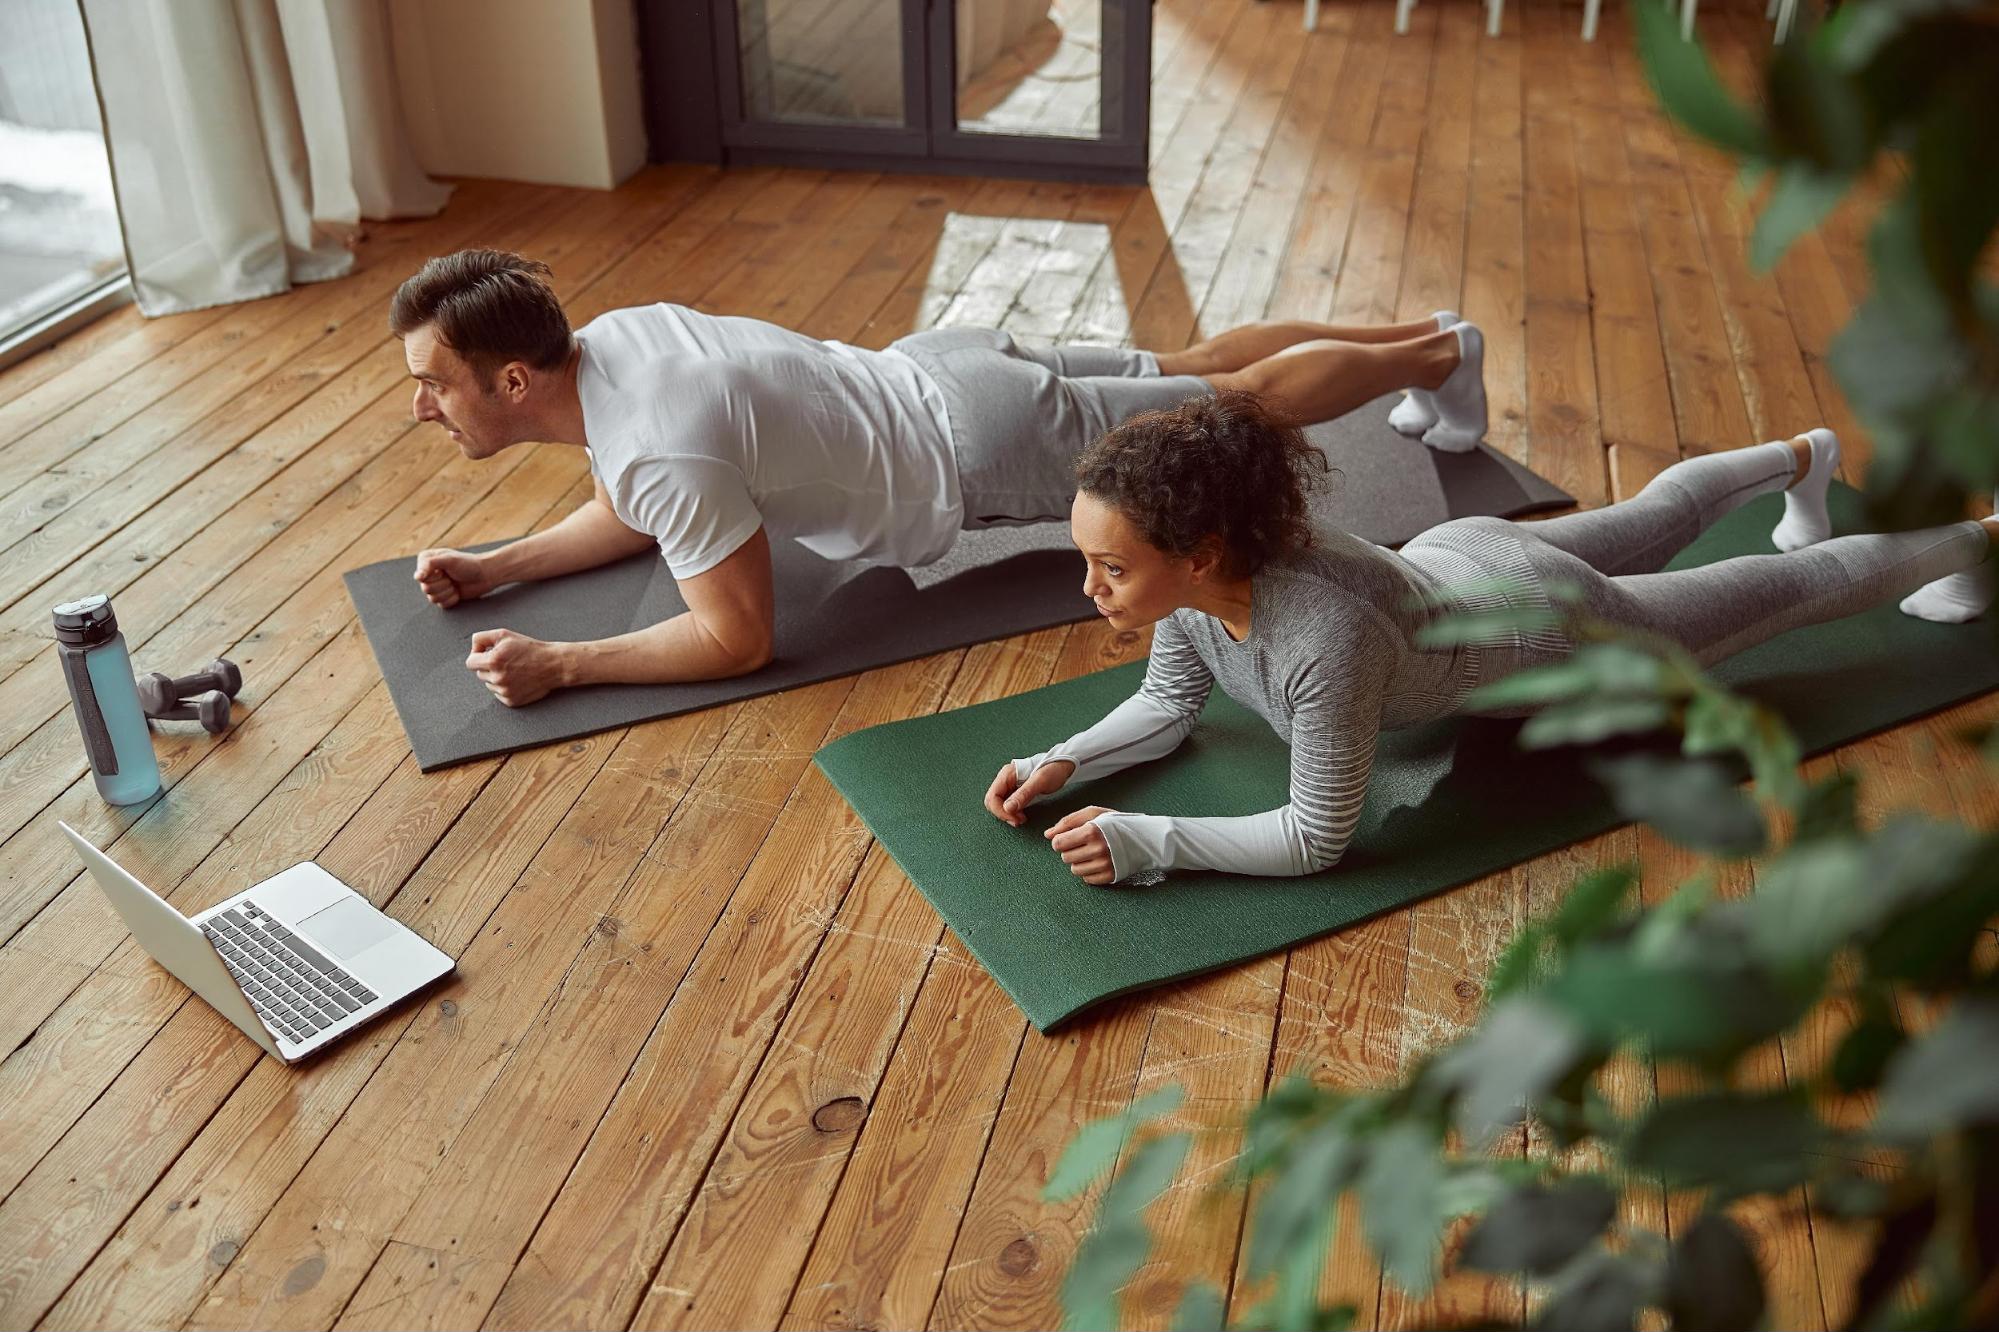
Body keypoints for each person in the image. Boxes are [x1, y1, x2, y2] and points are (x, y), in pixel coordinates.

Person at [389, 249, 1489, 707]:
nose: (422, 407)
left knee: (1235, 402)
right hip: (943, 367)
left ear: (516, 379)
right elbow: (635, 506)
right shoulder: (616, 341)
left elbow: (736, 638)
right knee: (1201, 365)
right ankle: (1429, 338)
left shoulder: (657, 447)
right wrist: (498, 568)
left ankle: (1438, 356)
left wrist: (563, 663)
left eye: (434, 384)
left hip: (979, 446)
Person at [984, 391, 1997, 887]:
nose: (1090, 590)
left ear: (1200, 553)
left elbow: (1313, 838)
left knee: (1787, 588)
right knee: (1652, 514)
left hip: (1557, 628)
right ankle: (1801, 457)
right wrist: (1063, 761)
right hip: (1462, 554)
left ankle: (1981, 538)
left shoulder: (1323, 641)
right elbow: (1168, 703)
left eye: (1110, 568)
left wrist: (1149, 841)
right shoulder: (1203, 582)